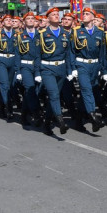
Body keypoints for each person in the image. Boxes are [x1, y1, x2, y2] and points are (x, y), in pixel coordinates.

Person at [36, 7, 72, 135]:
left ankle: (46, 123)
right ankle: (61, 121)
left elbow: (68, 54)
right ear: (48, 18)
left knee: (54, 97)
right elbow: (37, 55)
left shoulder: (65, 34)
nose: (57, 16)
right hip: (47, 68)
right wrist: (37, 73)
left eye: (58, 14)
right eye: (54, 14)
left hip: (61, 68)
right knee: (54, 94)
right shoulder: (41, 34)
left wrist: (70, 70)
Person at [0, 15, 18, 121]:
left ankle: (2, 107)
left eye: (10, 20)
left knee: (9, 86)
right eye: (6, 20)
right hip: (1, 60)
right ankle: (9, 108)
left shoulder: (16, 34)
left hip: (12, 60)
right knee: (4, 85)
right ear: (2, 23)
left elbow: (17, 50)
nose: (9, 21)